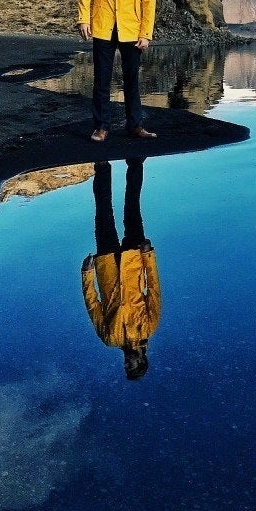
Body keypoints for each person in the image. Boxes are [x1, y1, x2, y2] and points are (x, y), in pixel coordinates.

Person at [77, 0, 157, 142]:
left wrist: (146, 33)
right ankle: (101, 127)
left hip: (131, 29)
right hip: (103, 25)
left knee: (132, 80)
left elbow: (149, 0)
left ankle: (135, 126)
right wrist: (83, 17)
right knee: (101, 79)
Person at [81, 159, 161, 380]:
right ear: (142, 360)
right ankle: (136, 163)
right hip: (134, 261)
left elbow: (93, 305)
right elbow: (153, 289)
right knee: (132, 208)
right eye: (132, 366)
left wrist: (87, 274)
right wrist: (148, 255)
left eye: (126, 368)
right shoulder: (149, 327)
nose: (127, 364)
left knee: (103, 211)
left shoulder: (110, 338)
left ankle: (102, 166)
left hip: (107, 266)